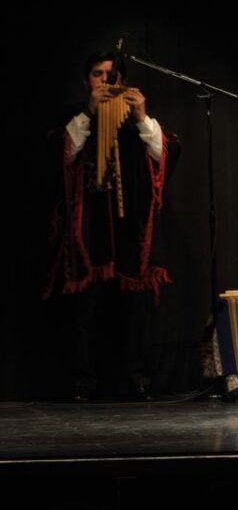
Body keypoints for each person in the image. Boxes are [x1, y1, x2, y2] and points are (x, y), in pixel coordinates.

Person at [43, 50, 178, 401]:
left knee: (135, 312)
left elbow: (165, 155)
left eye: (111, 75)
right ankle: (83, 382)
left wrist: (142, 117)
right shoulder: (76, 119)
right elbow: (61, 154)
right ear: (86, 81)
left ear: (124, 81)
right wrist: (89, 114)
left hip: (130, 229)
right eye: (97, 74)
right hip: (88, 230)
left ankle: (138, 378)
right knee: (84, 312)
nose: (106, 80)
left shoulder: (136, 121)